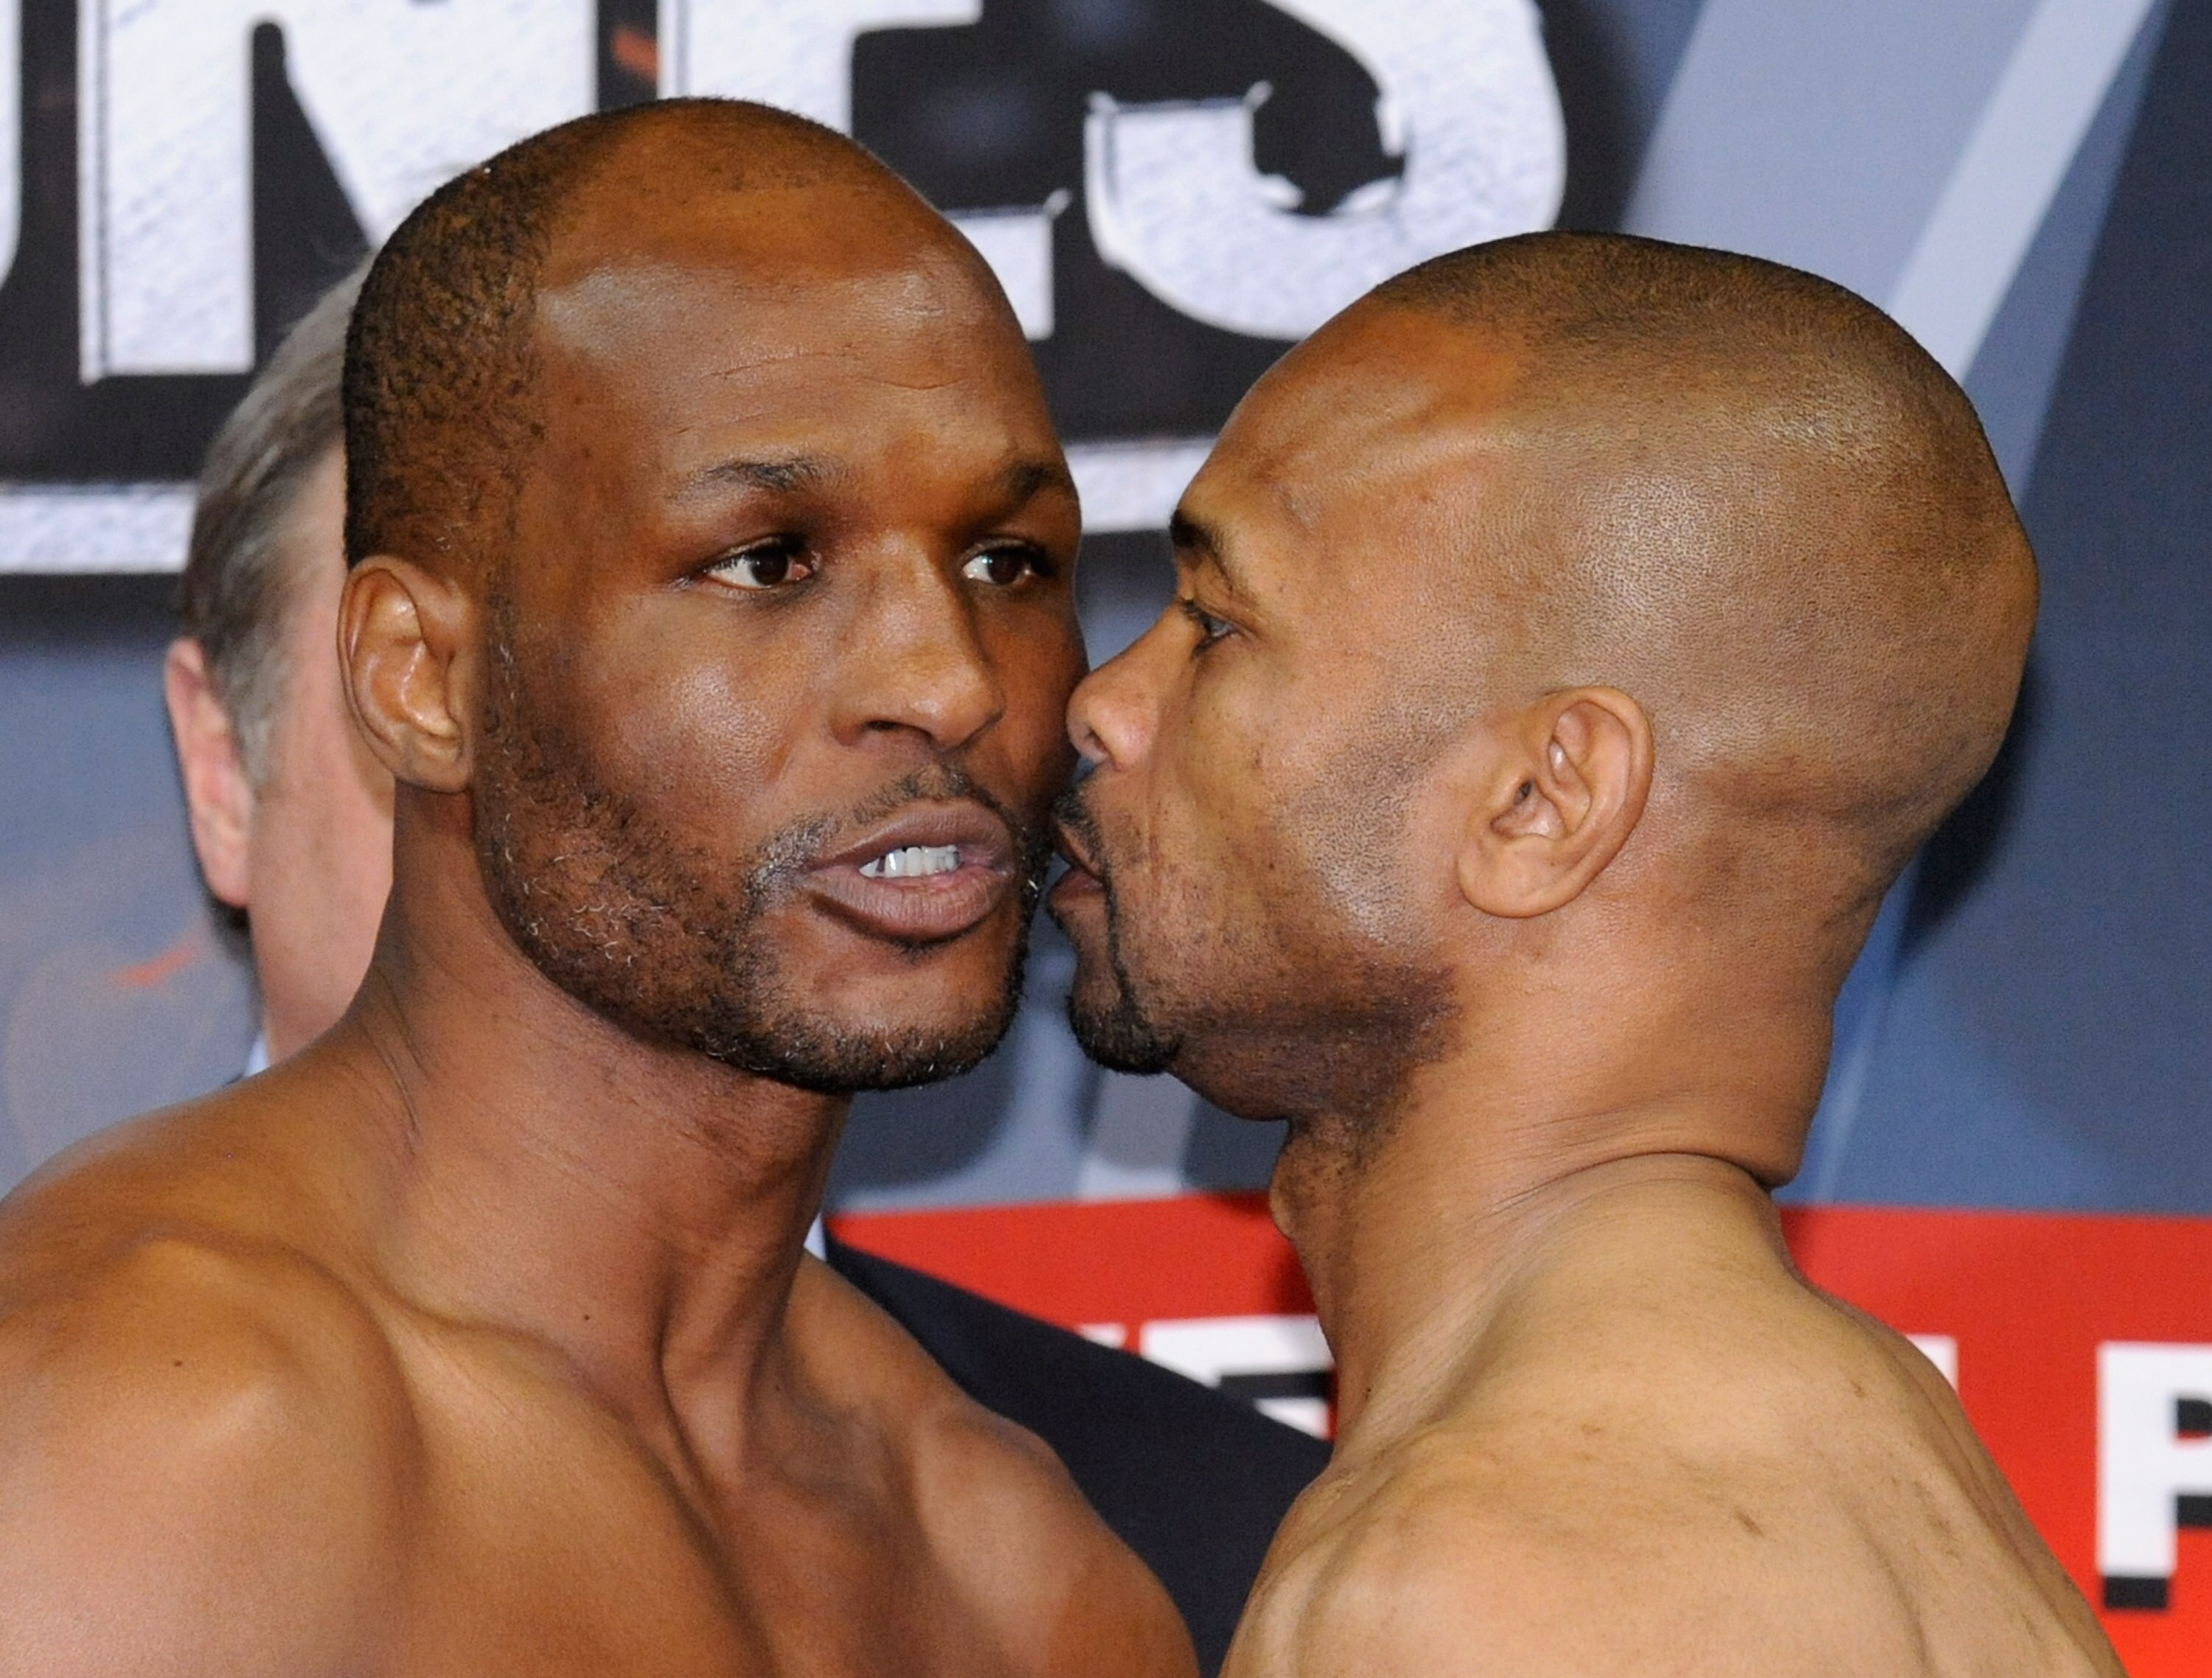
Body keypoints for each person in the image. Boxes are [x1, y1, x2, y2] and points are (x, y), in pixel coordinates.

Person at [0, 97, 1211, 1675]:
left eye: (1007, 559)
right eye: (769, 558)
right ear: (423, 678)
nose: (951, 678)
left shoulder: (1024, 1574)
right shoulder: (139, 1434)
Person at [1049, 231, 2125, 1677]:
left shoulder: (1488, 1585)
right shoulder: (1920, 1506)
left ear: (1542, 799)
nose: (1103, 706)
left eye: (1218, 625)